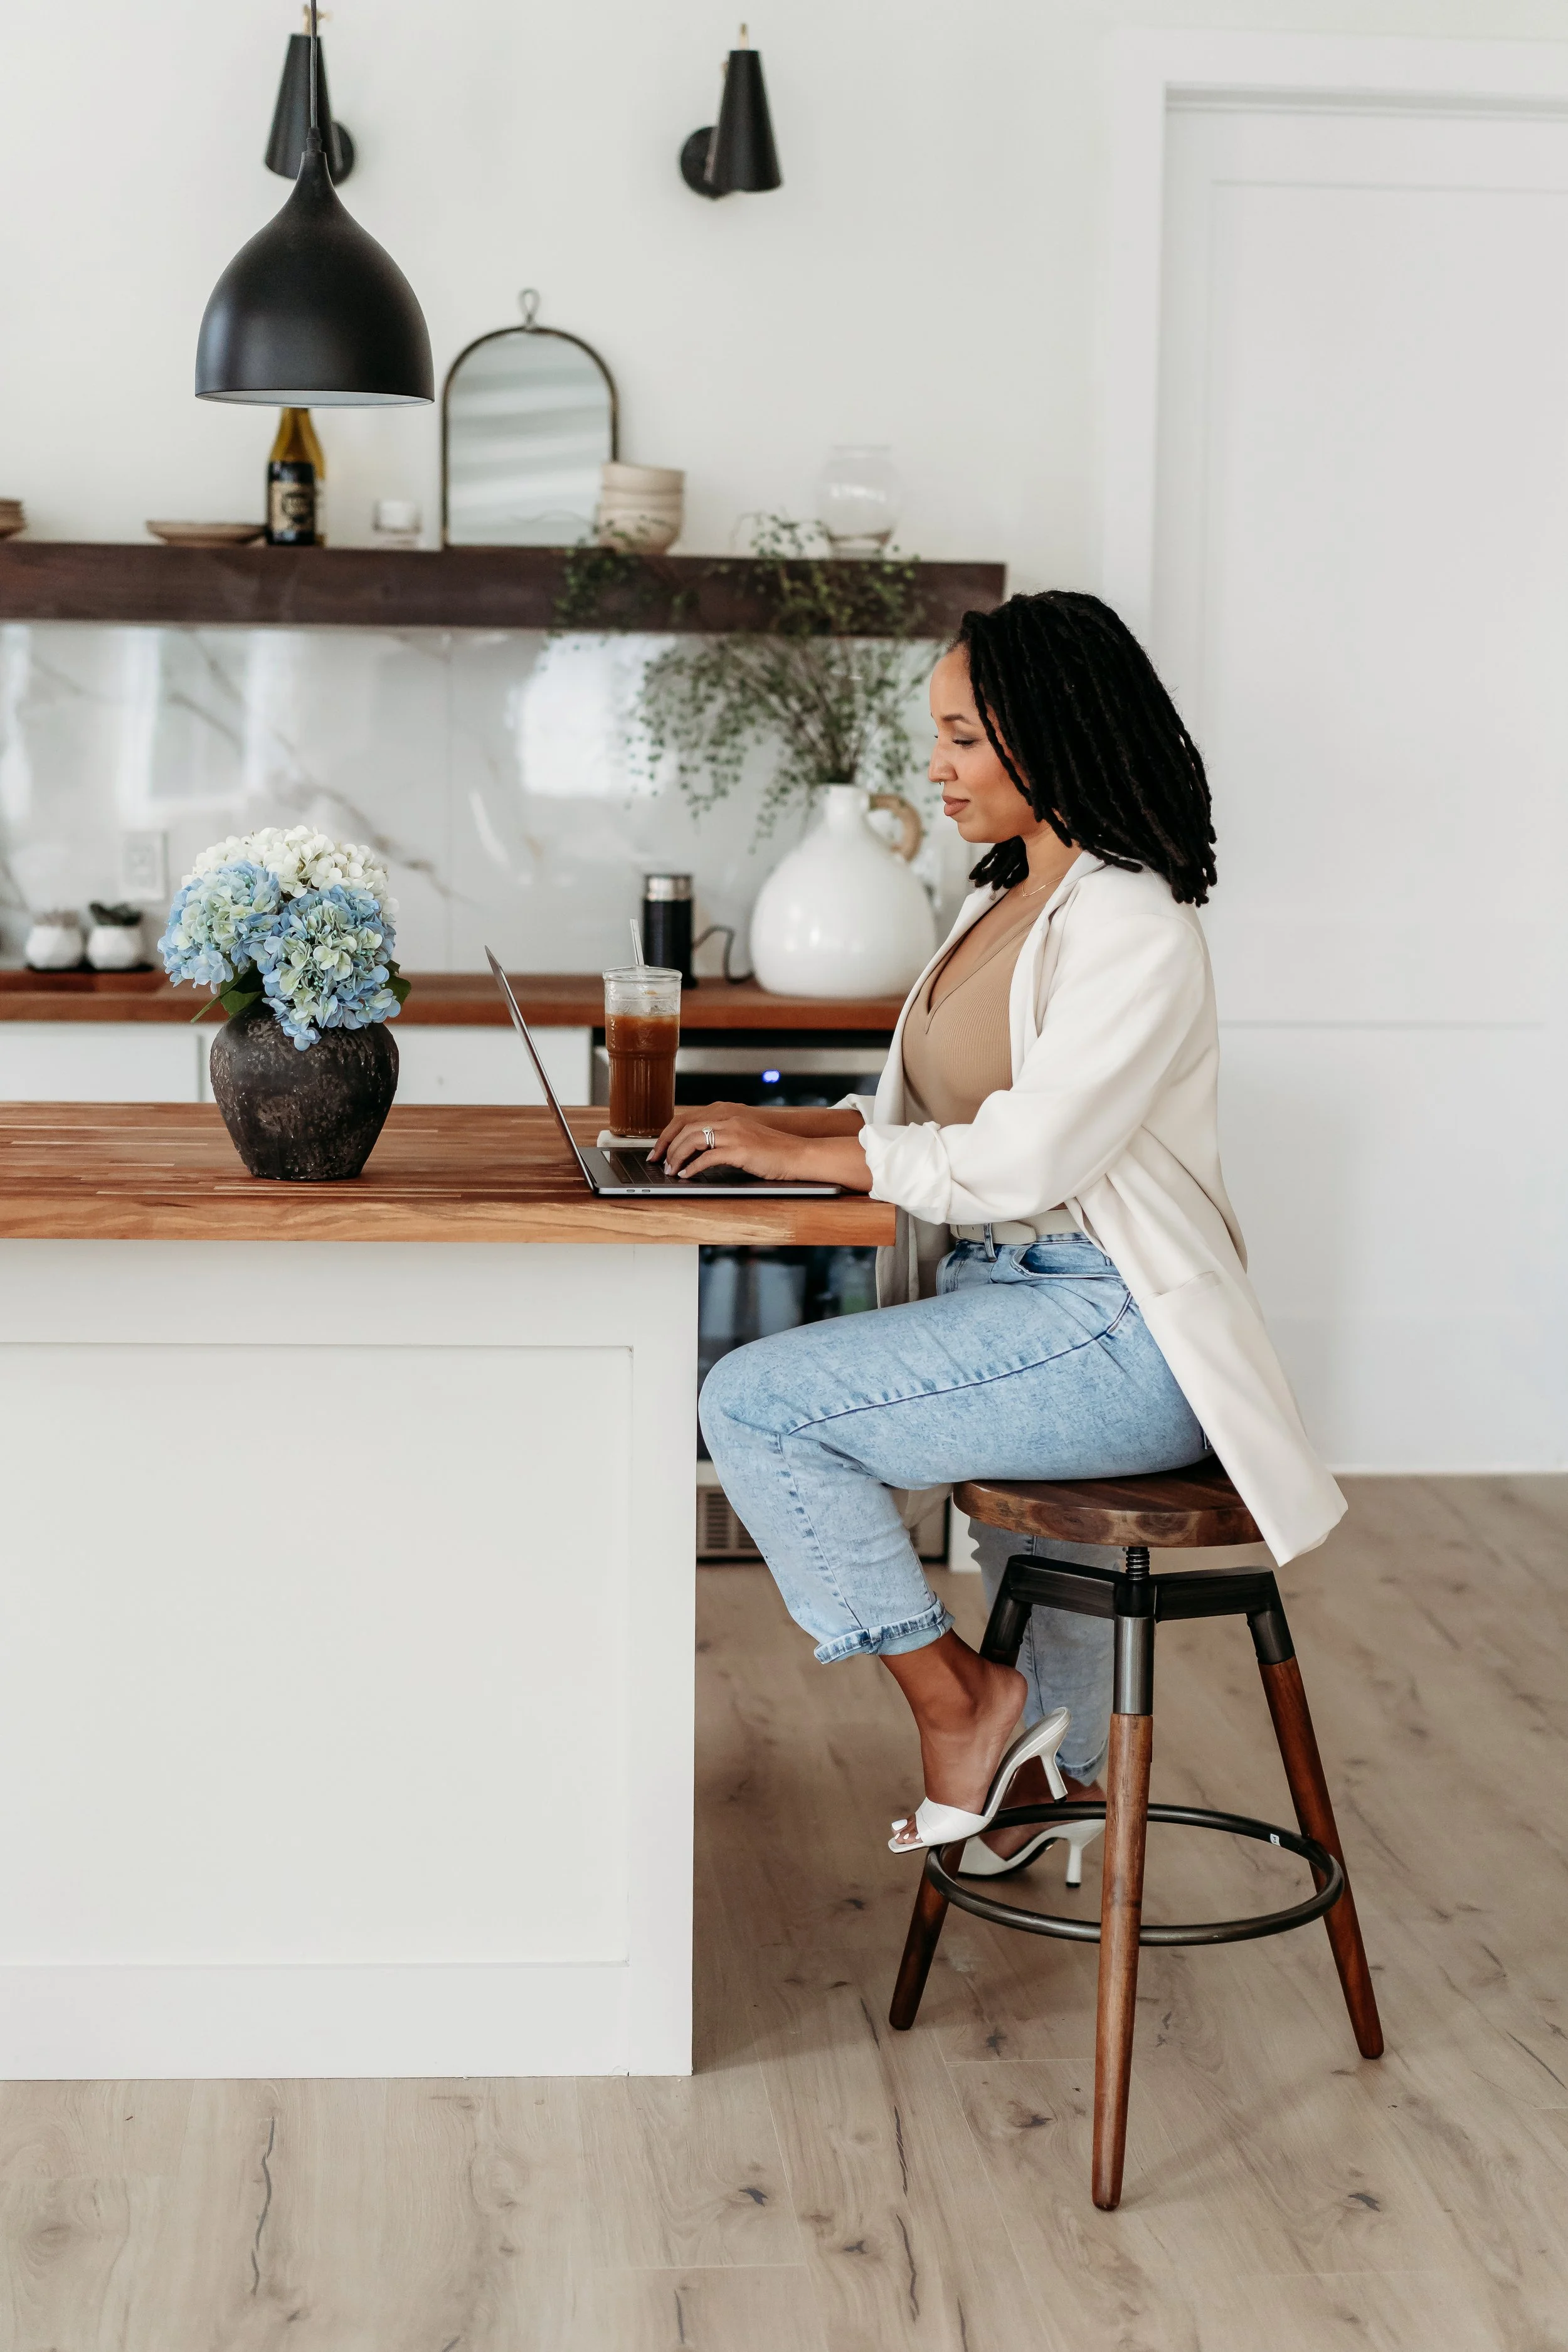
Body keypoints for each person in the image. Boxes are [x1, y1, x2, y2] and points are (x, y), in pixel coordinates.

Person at [659, 591, 1343, 1869]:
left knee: (754, 1406)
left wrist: (836, 1150)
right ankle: (1057, 1776)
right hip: (1013, 1301)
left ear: (1049, 735)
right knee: (785, 1416)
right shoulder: (1006, 901)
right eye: (938, 735)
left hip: (1106, 1326)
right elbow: (950, 1108)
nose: (933, 767)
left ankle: (967, 1706)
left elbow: (1031, 1153)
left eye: (962, 737)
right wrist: (792, 1131)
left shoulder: (1129, 919)